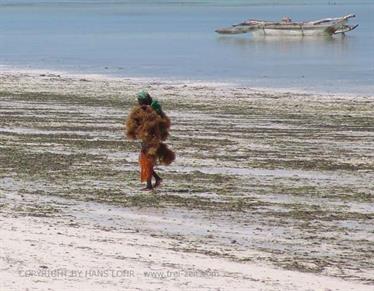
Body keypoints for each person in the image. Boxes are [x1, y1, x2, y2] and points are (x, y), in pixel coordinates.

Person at [125, 91, 175, 190]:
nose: (138, 103)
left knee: (147, 160)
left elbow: (154, 124)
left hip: (151, 139)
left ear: (144, 100)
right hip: (149, 138)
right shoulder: (148, 109)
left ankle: (149, 185)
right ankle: (157, 179)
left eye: (140, 101)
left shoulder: (151, 110)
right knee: (144, 160)